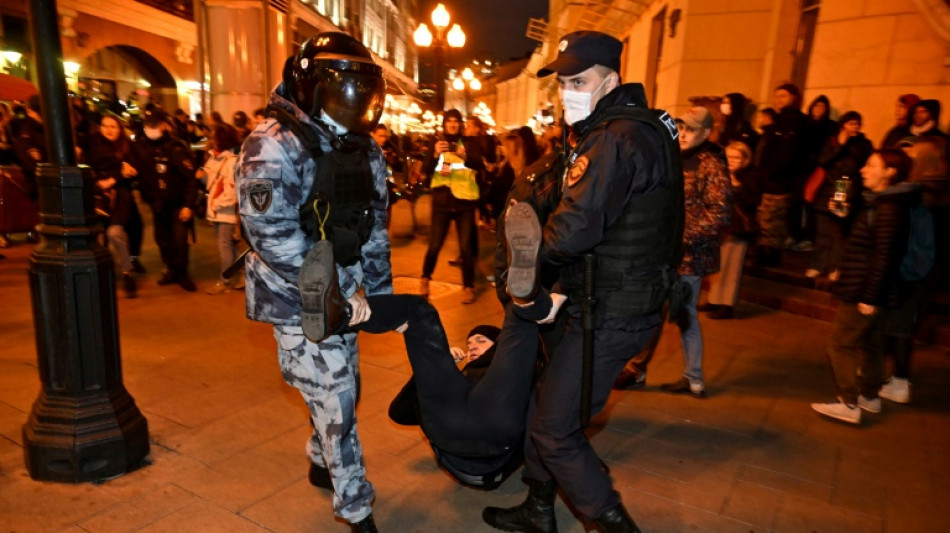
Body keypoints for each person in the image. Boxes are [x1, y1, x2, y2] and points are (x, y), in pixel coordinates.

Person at [482, 31, 683, 533]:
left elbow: (573, 229)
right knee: (545, 404)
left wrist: (528, 269)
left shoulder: (614, 137)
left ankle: (611, 522)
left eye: (580, 80)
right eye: (564, 82)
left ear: (610, 78)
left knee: (555, 430)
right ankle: (539, 506)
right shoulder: (644, 127)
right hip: (617, 299)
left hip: (613, 310)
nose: (568, 90)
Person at [233, 31, 389, 533]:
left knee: (344, 389)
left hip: (345, 292)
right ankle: (356, 509)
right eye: (344, 92)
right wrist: (336, 293)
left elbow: (375, 227)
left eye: (362, 96)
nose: (354, 106)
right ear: (308, 86)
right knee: (337, 400)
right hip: (296, 295)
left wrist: (381, 298)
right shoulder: (270, 147)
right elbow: (270, 236)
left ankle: (320, 457)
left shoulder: (365, 150)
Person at [616, 107, 732, 396]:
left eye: (691, 129)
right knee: (653, 308)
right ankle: (638, 369)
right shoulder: (674, 157)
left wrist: (680, 237)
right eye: (680, 127)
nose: (683, 134)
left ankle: (692, 378)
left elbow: (719, 213)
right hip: (665, 251)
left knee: (685, 314)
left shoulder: (710, 164)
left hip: (690, 255)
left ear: (706, 133)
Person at [811, 148, 915, 424]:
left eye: (871, 165)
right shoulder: (877, 202)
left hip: (866, 288)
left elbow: (885, 256)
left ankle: (848, 402)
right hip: (871, 286)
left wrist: (869, 296)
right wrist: (841, 217)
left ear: (890, 172)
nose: (863, 170)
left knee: (839, 344)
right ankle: (870, 397)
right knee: (870, 343)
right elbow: (863, 244)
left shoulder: (889, 207)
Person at [420, 109, 487, 304]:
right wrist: (434, 154)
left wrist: (463, 155)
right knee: (434, 245)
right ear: (444, 124)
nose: (452, 124)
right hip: (441, 204)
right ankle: (425, 278)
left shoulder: (468, 143)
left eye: (456, 121)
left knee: (466, 247)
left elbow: (478, 164)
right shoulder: (436, 143)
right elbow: (425, 169)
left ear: (460, 124)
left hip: (464, 204)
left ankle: (468, 286)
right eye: (449, 121)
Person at [135, 107, 199, 292]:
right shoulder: (141, 147)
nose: (150, 129)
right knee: (162, 240)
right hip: (157, 204)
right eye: (147, 125)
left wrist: (189, 205)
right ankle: (170, 269)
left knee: (179, 241)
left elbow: (191, 178)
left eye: (154, 125)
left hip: (178, 204)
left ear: (164, 125)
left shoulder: (176, 148)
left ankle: (182, 273)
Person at [806, 111, 873, 281]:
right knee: (822, 232)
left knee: (838, 233)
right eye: (851, 123)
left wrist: (850, 144)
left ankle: (835, 267)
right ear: (843, 125)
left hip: (845, 190)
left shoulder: (864, 144)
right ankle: (818, 265)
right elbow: (823, 161)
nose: (855, 127)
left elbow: (860, 165)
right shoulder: (832, 141)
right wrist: (840, 146)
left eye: (857, 123)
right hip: (826, 189)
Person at [85, 112, 145, 298]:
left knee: (115, 233)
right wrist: (118, 170)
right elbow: (88, 170)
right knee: (99, 235)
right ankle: (102, 272)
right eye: (105, 126)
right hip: (98, 197)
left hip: (121, 197)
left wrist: (113, 178)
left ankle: (127, 272)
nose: (108, 130)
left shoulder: (128, 147)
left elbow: (134, 171)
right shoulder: (92, 145)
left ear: (120, 128)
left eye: (113, 126)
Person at [704, 141, 760, 319]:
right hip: (716, 226)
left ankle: (726, 304)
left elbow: (752, 201)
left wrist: (735, 183)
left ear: (745, 159)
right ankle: (714, 299)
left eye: (736, 157)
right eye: (728, 156)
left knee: (731, 267)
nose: (731, 160)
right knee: (716, 266)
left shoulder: (750, 177)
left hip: (736, 229)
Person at [754, 84, 807, 266]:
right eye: (777, 96)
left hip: (780, 181)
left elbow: (788, 153)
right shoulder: (779, 120)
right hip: (770, 180)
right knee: (766, 218)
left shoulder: (794, 121)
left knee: (774, 219)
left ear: (793, 98)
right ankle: (764, 251)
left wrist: (771, 173)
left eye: (783, 96)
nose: (779, 100)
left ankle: (770, 254)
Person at [201, 124, 242, 294]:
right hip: (218, 213)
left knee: (224, 247)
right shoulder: (214, 158)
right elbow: (209, 182)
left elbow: (231, 194)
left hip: (225, 213)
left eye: (213, 136)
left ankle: (225, 281)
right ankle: (241, 275)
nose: (210, 140)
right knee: (230, 247)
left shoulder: (231, 161)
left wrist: (214, 205)